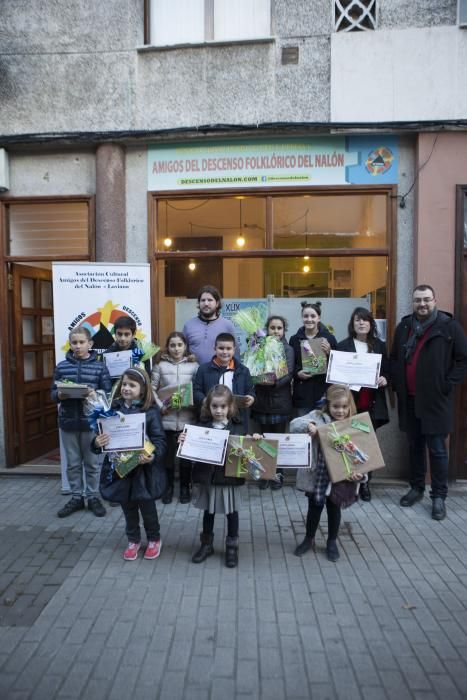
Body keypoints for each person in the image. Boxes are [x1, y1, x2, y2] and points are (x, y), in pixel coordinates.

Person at [390, 284, 467, 521]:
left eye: (426, 300)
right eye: (417, 300)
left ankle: (439, 497)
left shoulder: (448, 326)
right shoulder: (404, 327)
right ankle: (416, 489)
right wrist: (395, 383)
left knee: (437, 450)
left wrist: (446, 384)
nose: (422, 304)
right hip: (410, 400)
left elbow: (462, 360)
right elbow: (395, 359)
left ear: (434, 300)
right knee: (415, 447)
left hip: (436, 401)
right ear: (412, 302)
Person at [95, 367, 167, 560]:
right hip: (121, 470)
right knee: (128, 508)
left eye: (132, 385)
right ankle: (133, 540)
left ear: (142, 389)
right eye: (124, 384)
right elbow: (100, 437)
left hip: (143, 471)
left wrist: (152, 456)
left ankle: (154, 538)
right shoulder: (112, 409)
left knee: (147, 508)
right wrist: (97, 442)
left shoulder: (150, 411)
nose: (126, 388)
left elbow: (160, 440)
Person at [290, 384, 364, 561]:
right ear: (328, 405)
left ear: (350, 407)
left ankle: (332, 541)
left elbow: (363, 453)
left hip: (339, 475)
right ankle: (309, 539)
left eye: (344, 407)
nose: (340, 411)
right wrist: (310, 425)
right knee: (314, 507)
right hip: (318, 474)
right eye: (336, 407)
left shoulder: (353, 424)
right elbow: (294, 425)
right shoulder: (317, 416)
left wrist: (360, 474)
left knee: (334, 508)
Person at [179, 385, 246, 568]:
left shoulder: (238, 427)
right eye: (214, 406)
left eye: (223, 406)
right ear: (208, 407)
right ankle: (206, 545)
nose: (218, 410)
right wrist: (184, 442)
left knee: (232, 513)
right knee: (209, 512)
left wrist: (253, 440)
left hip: (229, 478)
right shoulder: (200, 428)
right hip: (208, 478)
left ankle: (232, 547)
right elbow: (189, 452)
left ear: (230, 407)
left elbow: (247, 450)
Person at [52, 326, 112, 518]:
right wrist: (60, 394)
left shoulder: (100, 366)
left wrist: (95, 394)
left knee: (93, 463)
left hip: (91, 423)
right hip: (68, 422)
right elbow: (52, 393)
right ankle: (77, 497)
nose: (77, 346)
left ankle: (93, 497)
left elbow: (108, 394)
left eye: (81, 342)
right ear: (70, 344)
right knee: (73, 463)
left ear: (90, 344)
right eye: (74, 343)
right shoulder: (62, 366)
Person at [336, 307, 389, 501]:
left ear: (371, 324)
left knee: (367, 446)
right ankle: (348, 482)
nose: (361, 323)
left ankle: (365, 484)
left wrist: (385, 378)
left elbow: (388, 370)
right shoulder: (343, 346)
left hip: (371, 403)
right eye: (357, 320)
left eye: (365, 320)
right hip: (350, 404)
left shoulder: (380, 346)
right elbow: (335, 375)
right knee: (348, 444)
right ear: (352, 324)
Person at [151, 332, 198, 504]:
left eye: (180, 345)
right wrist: (160, 407)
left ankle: (185, 487)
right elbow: (152, 389)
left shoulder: (194, 367)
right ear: (167, 347)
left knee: (186, 459)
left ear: (185, 346)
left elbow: (197, 390)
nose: (176, 348)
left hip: (187, 420)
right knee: (167, 459)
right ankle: (168, 487)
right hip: (167, 421)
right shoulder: (160, 366)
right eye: (172, 345)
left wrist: (192, 403)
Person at [251, 315, 294, 490]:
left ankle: (277, 475)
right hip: (261, 400)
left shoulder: (288, 349)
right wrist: (258, 378)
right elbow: (252, 367)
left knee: (278, 441)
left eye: (279, 328)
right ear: (267, 329)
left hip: (280, 401)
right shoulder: (259, 346)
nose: (275, 331)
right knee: (262, 440)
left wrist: (273, 382)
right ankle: (264, 474)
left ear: (284, 330)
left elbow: (289, 373)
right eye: (272, 328)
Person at [193, 332, 255, 432]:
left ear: (234, 349)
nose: (225, 352)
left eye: (228, 348)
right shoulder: (203, 369)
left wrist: (251, 397)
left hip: (237, 420)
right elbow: (196, 391)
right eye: (221, 348)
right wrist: (205, 401)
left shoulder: (243, 370)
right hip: (211, 419)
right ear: (215, 349)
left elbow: (250, 390)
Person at [289, 301, 337, 416]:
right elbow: (290, 364)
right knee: (304, 428)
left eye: (313, 316)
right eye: (306, 316)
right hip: (302, 392)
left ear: (319, 318)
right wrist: (297, 373)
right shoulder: (294, 339)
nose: (309, 319)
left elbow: (337, 366)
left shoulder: (329, 338)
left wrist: (330, 352)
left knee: (322, 429)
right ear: (302, 318)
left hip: (323, 392)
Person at [183, 285, 237, 364]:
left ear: (217, 303)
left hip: (220, 373)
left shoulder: (227, 325)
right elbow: (182, 353)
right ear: (199, 303)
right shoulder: (188, 326)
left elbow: (236, 355)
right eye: (203, 300)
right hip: (194, 374)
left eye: (210, 300)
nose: (206, 303)